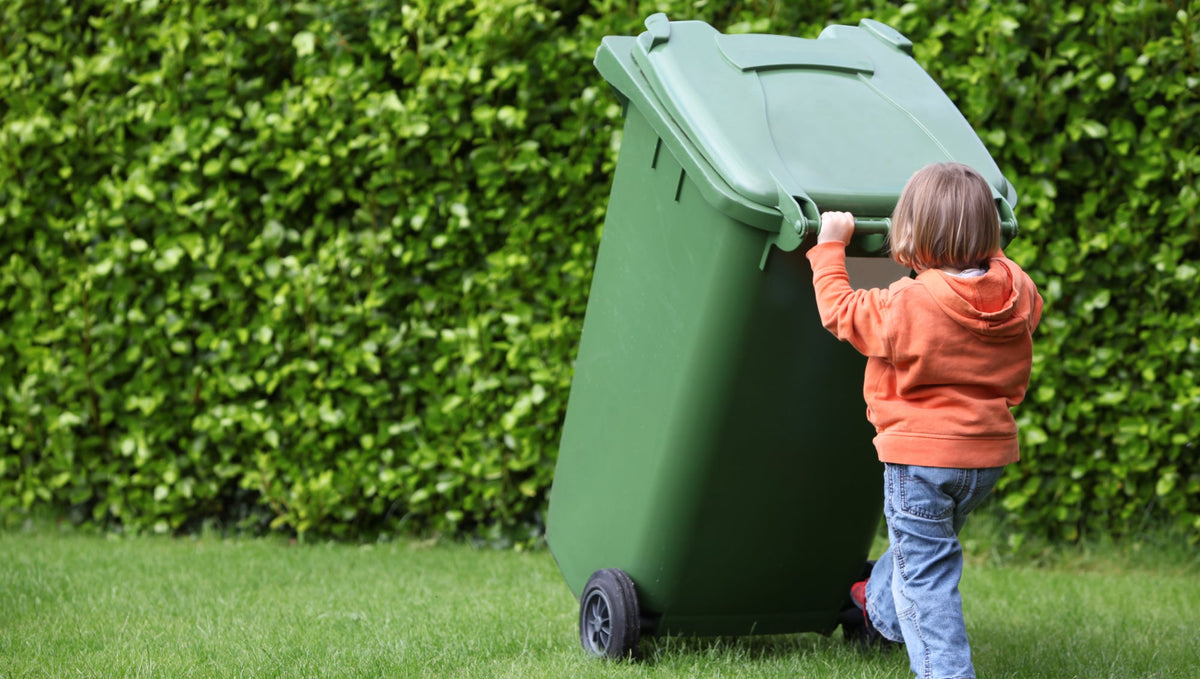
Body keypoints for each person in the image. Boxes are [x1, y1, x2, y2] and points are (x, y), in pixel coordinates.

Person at [805, 162, 1043, 679]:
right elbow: (1004, 280)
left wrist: (830, 246)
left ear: (913, 233)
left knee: (927, 579)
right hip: (984, 459)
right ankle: (875, 605)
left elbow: (840, 311)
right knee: (924, 550)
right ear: (990, 232)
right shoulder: (1018, 290)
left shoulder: (909, 303)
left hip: (920, 462)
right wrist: (984, 242)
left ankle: (946, 672)